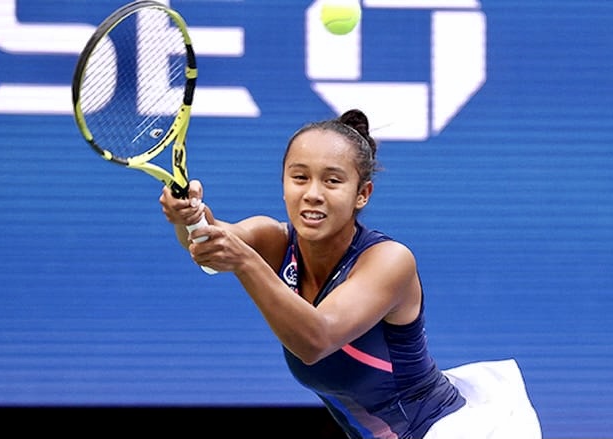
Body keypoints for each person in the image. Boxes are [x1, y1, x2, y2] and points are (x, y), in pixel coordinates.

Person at [159, 109, 542, 439]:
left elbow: (316, 340)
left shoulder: (389, 261)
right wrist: (188, 218)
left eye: (332, 180)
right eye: (299, 177)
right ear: (283, 185)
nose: (313, 193)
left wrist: (245, 261)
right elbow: (210, 246)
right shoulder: (273, 240)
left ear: (363, 194)